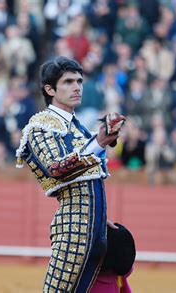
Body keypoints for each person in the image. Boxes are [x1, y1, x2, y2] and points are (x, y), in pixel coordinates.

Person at [15, 56, 122, 292]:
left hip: (94, 229)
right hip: (73, 231)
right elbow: (56, 168)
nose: (77, 87)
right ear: (49, 89)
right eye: (68, 82)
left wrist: (98, 215)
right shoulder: (40, 125)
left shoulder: (78, 127)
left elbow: (87, 179)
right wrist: (100, 143)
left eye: (79, 81)